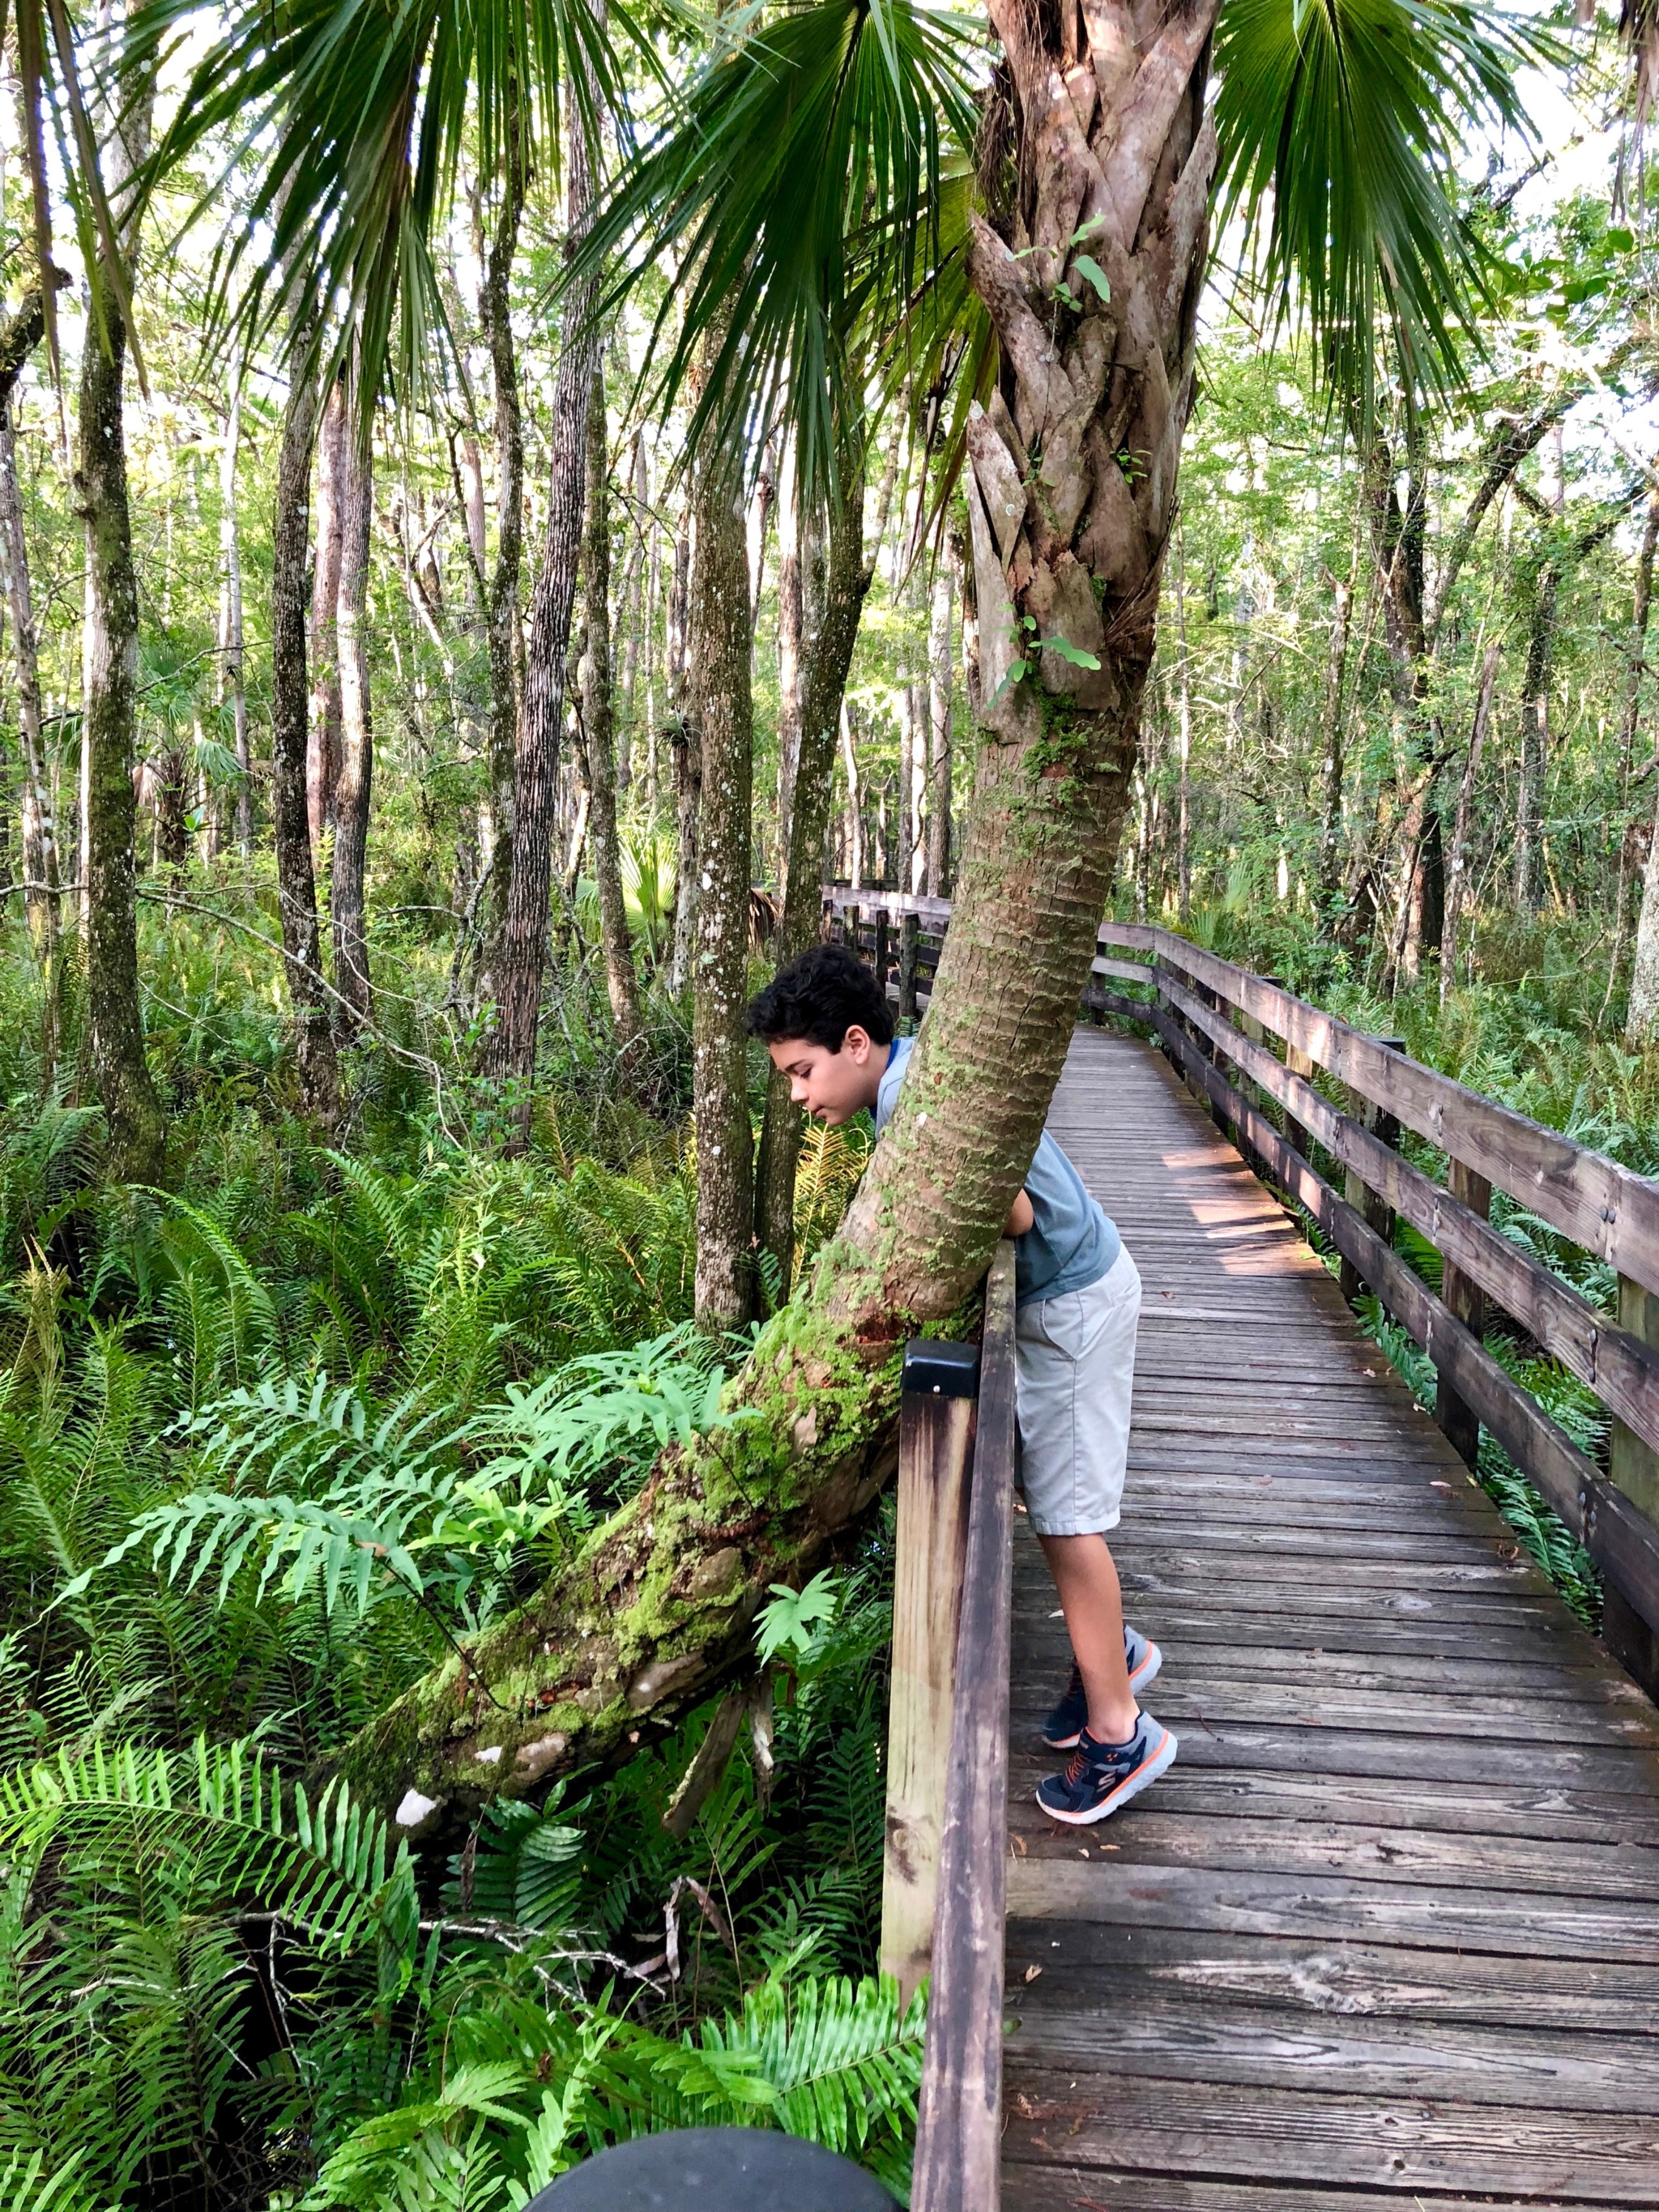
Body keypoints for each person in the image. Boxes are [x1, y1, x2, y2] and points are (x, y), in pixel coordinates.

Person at [747, 940, 1176, 1826]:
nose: (796, 1093)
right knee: (1049, 1501)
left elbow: (1010, 1208)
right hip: (1069, 1298)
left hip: (1072, 1308)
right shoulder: (908, 1079)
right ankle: (1111, 1654)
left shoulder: (911, 1100)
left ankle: (1120, 1730)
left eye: (801, 1071)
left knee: (1066, 1518)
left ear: (855, 1043)